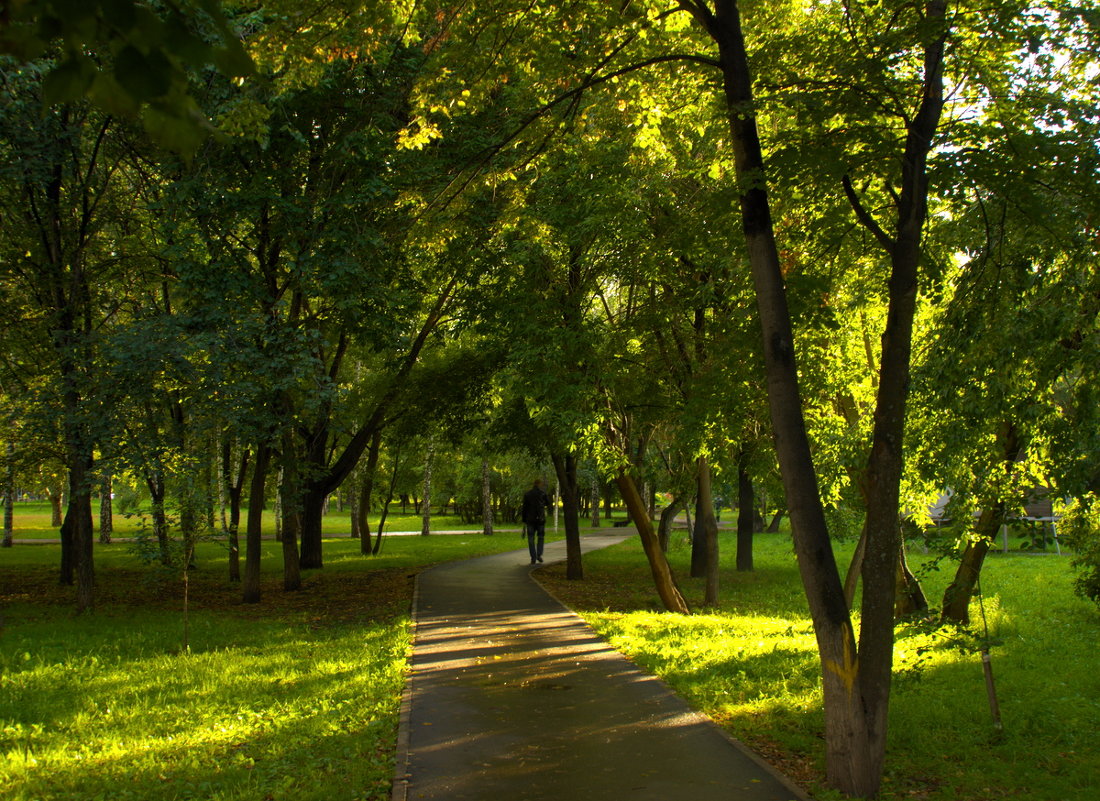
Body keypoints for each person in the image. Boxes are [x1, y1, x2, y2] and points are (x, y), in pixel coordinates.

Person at [521, 478, 552, 564]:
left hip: (530, 520)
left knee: (531, 538)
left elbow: (524, 508)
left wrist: (524, 519)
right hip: (540, 519)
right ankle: (539, 554)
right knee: (541, 537)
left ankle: (533, 557)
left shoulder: (527, 494)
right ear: (539, 484)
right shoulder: (542, 494)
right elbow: (548, 503)